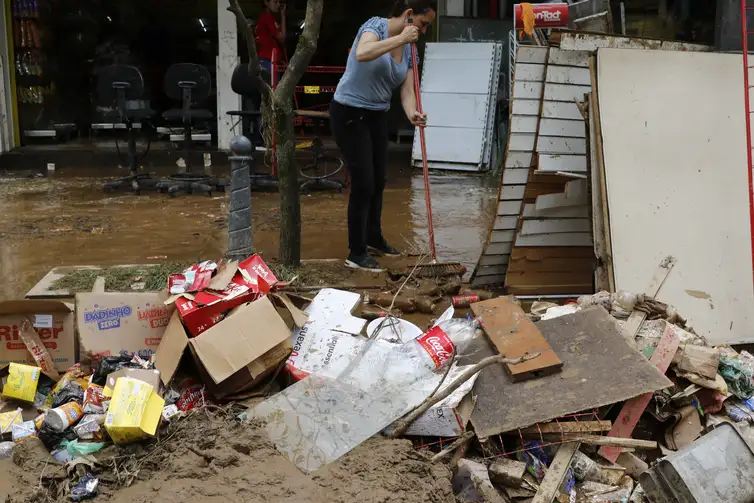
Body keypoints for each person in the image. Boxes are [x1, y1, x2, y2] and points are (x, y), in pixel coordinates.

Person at [330, 0, 436, 272]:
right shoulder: (374, 27)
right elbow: (363, 53)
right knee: (363, 182)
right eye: (423, 24)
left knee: (378, 181)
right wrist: (400, 38)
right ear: (409, 15)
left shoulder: (411, 49)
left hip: (377, 115)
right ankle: (356, 252)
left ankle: (373, 238)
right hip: (349, 112)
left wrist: (413, 113)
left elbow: (407, 90)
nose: (423, 31)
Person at [255, 0, 286, 81]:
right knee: (273, 91)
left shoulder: (268, 18)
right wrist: (283, 15)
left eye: (279, 2)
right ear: (266, 2)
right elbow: (282, 38)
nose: (278, 4)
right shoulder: (267, 18)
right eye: (275, 2)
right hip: (268, 63)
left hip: (268, 61)